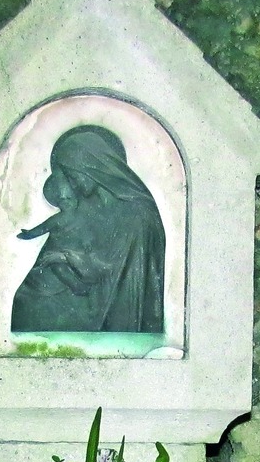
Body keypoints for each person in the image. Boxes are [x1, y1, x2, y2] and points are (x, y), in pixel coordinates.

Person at [9, 124, 166, 335]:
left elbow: (110, 267)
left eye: (74, 176)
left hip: (114, 301)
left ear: (93, 167)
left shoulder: (136, 213)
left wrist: (66, 257)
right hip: (84, 288)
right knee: (26, 302)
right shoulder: (82, 209)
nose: (72, 186)